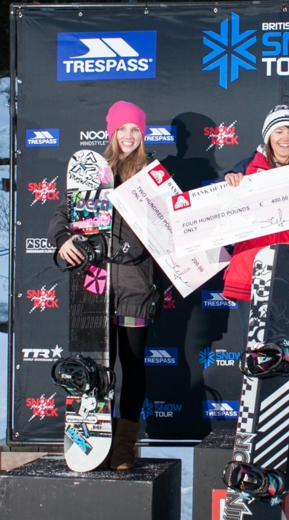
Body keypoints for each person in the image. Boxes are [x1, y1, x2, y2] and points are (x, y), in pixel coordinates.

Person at [48, 101, 162, 471]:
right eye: (122, 129)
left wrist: (121, 246)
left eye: (135, 130)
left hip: (133, 287)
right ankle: (97, 438)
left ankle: (125, 444)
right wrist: (62, 238)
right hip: (93, 289)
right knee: (97, 365)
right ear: (111, 133)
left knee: (131, 366)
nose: (128, 136)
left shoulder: (152, 174)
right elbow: (62, 214)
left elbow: (161, 227)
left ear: (142, 136)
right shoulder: (92, 174)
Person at [222, 104, 289, 332]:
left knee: (285, 348)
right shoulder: (246, 168)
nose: (285, 137)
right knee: (254, 352)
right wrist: (228, 183)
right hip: (250, 270)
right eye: (278, 130)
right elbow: (219, 211)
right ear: (268, 136)